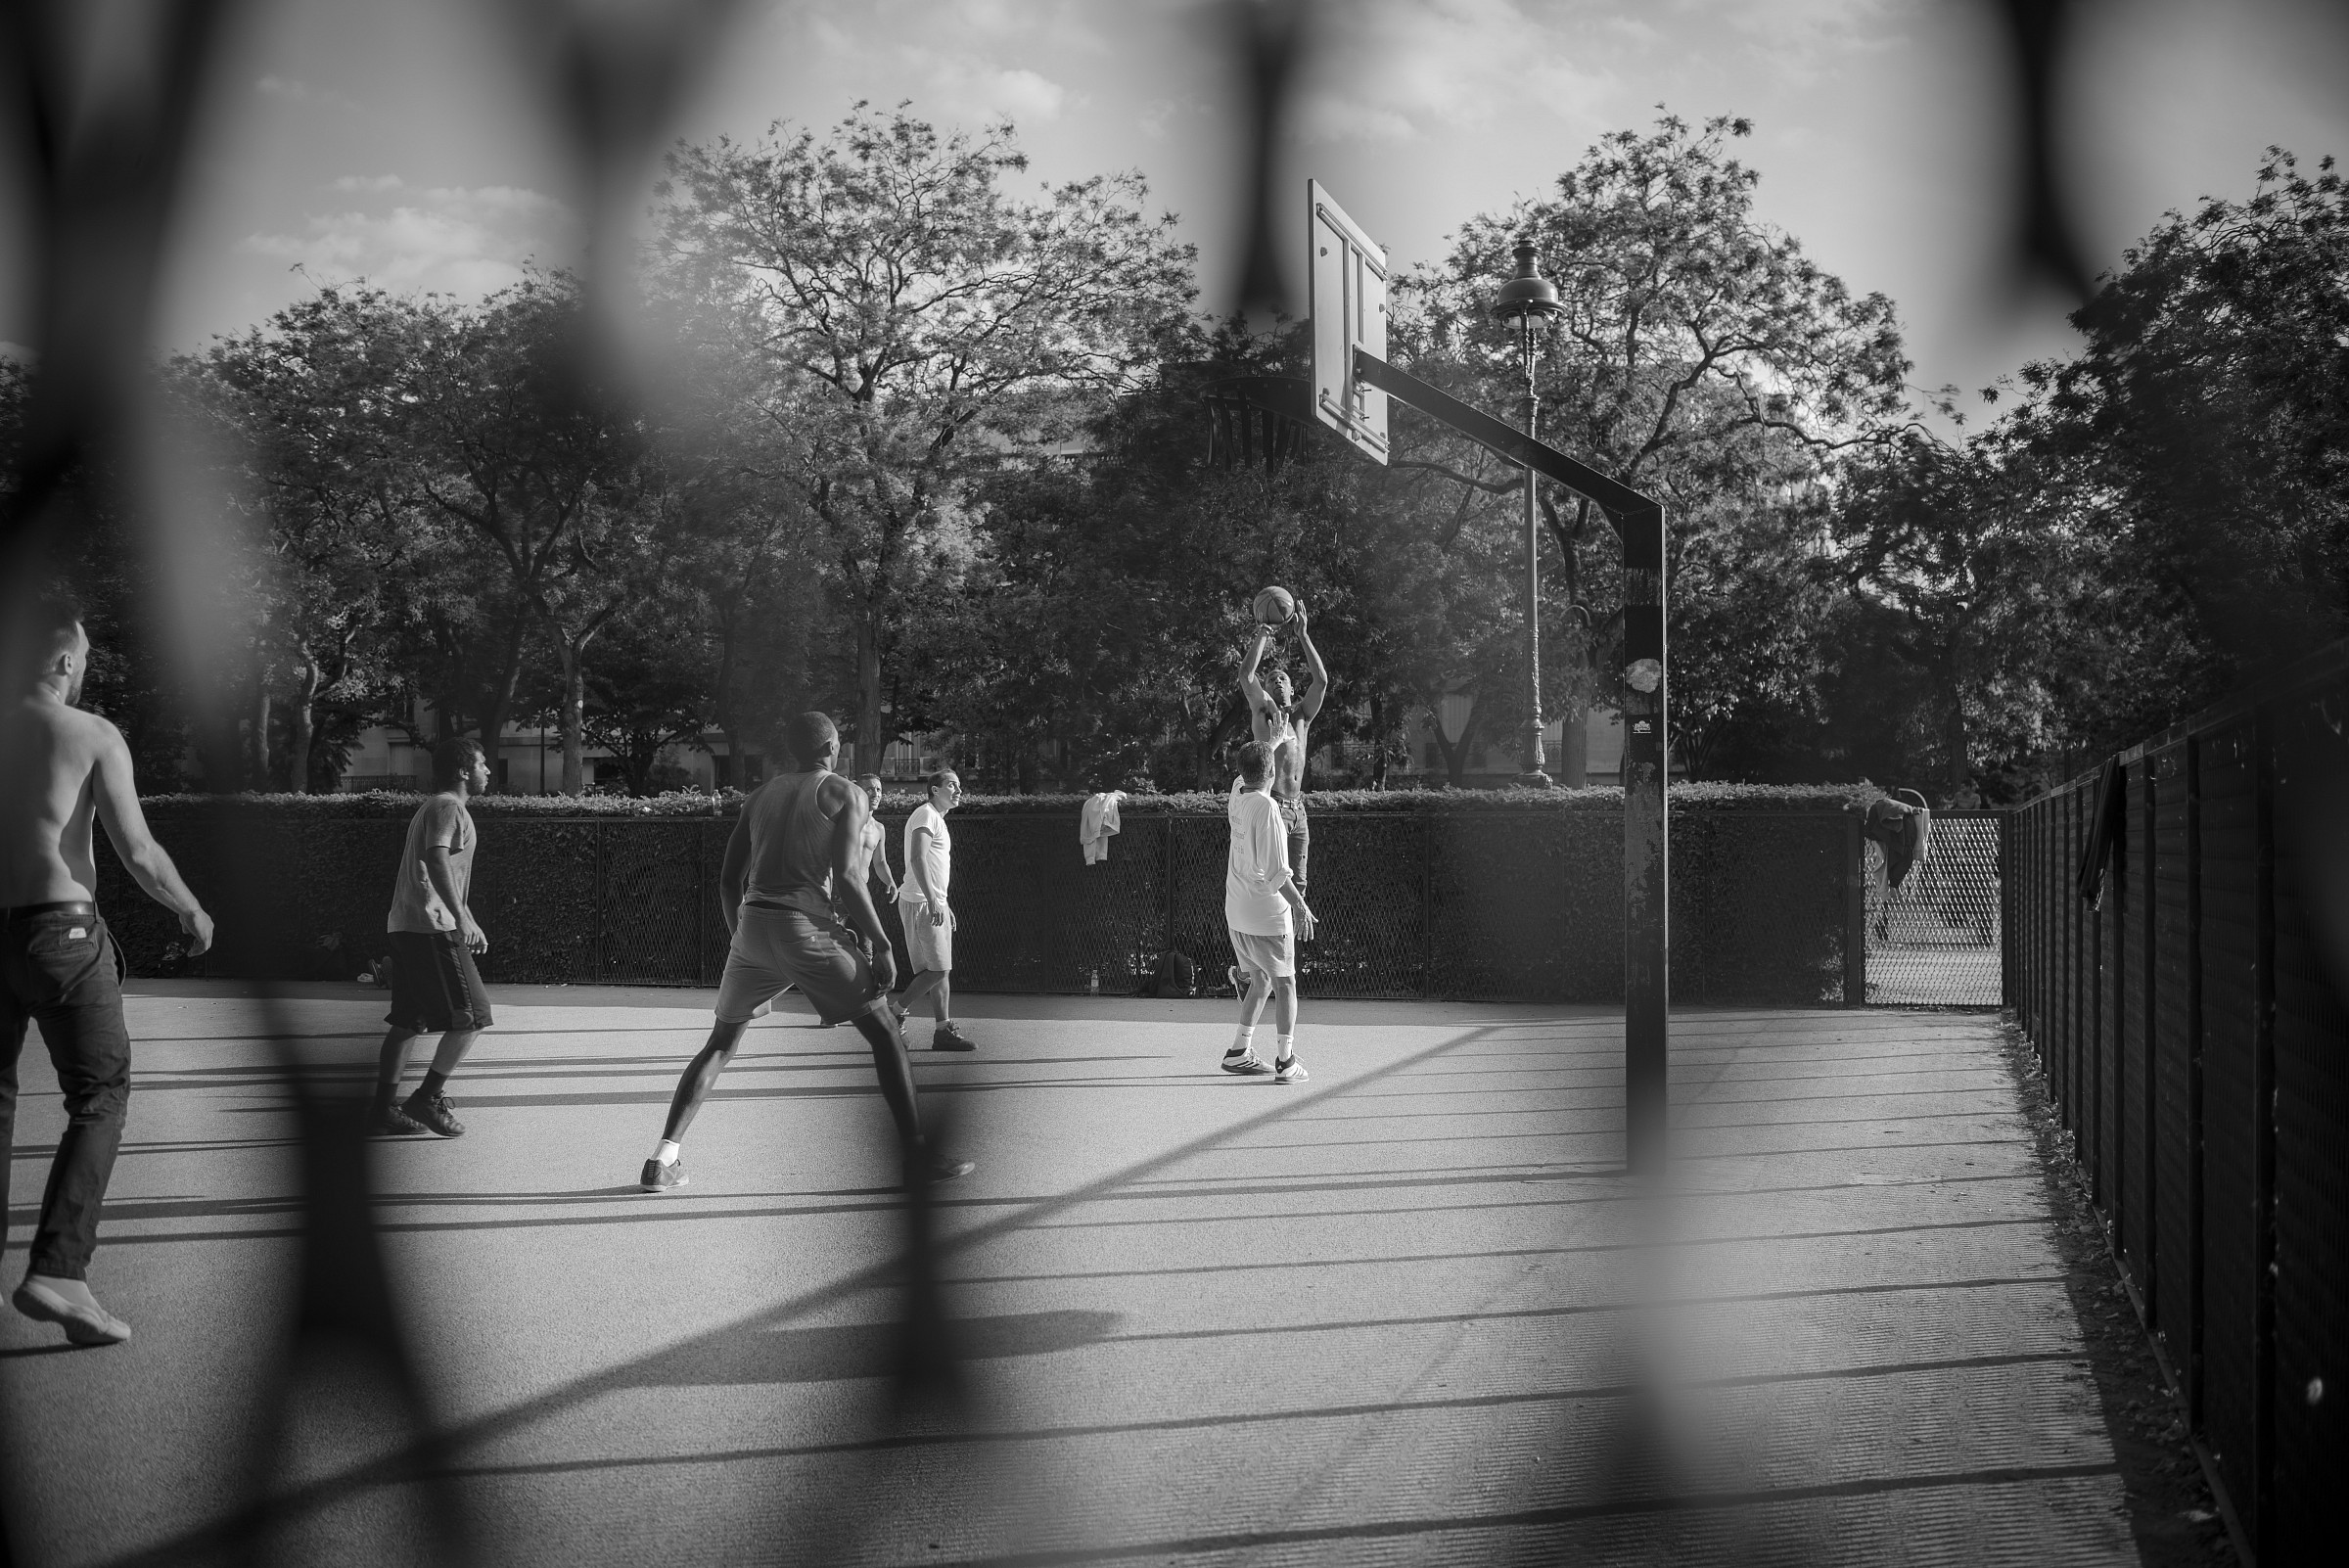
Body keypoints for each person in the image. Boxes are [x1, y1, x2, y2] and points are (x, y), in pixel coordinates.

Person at [1, 594, 213, 1346]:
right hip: (60, 932)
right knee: (100, 1094)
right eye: (84, 655)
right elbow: (140, 852)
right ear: (63, 659)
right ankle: (60, 1269)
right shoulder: (89, 733)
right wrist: (190, 910)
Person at [642, 714, 971, 1192]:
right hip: (806, 929)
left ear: (794, 749)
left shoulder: (759, 797)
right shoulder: (845, 793)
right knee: (885, 1034)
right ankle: (916, 1156)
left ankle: (661, 1159)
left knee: (720, 1043)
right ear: (833, 747)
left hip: (753, 927)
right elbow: (850, 875)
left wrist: (741, 938)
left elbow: (728, 879)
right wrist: (880, 942)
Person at [368, 737, 494, 1138]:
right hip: (430, 928)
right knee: (473, 1018)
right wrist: (461, 919)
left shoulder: (436, 806)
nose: (488, 771)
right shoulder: (448, 806)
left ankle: (383, 1109)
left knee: (409, 1021)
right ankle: (427, 1097)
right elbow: (437, 857)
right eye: (482, 763)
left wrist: (467, 917)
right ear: (463, 771)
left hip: (407, 924)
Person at [1221, 740, 1315, 1084]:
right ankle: (1286, 1061)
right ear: (1273, 772)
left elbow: (1249, 770)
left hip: (1237, 912)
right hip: (1265, 916)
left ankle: (1238, 1053)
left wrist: (1271, 741)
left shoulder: (1237, 793)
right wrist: (1301, 907)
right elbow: (1278, 874)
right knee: (1285, 982)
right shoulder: (1269, 811)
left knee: (1259, 979)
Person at [1239, 597, 1329, 897]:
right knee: (1274, 884)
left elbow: (1322, 681)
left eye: (1283, 678)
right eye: (1272, 678)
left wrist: (1303, 635)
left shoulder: (1302, 715)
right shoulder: (1264, 712)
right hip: (1273, 805)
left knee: (1299, 887)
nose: (1277, 680)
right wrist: (1263, 633)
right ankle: (1274, 938)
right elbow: (1246, 676)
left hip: (1298, 809)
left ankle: (1294, 943)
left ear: (1292, 689)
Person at [897, 769, 975, 1051]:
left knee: (941, 971)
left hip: (930, 901)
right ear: (934, 789)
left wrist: (943, 902)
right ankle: (893, 1014)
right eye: (951, 785)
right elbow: (917, 858)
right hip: (920, 902)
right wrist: (931, 900)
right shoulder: (926, 814)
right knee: (937, 969)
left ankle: (943, 1030)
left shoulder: (935, 818)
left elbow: (932, 866)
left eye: (959, 785)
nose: (958, 790)